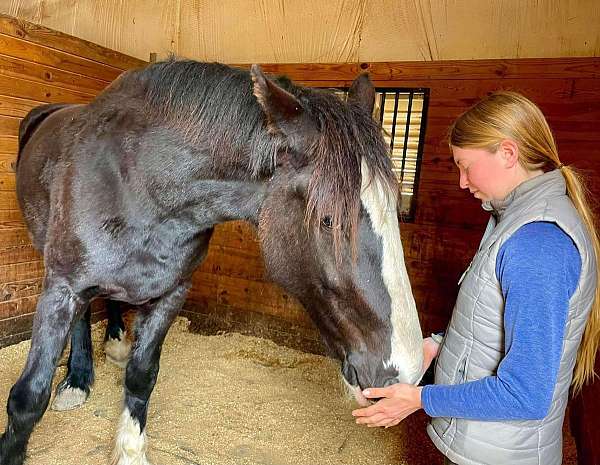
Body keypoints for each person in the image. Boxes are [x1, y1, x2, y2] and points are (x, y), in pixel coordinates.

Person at [352, 91, 600, 465]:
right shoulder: (510, 220)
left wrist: (419, 399)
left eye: (466, 166)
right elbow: (486, 321)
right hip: (484, 446)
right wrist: (436, 346)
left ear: (508, 153)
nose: (462, 181)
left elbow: (525, 395)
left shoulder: (537, 243)